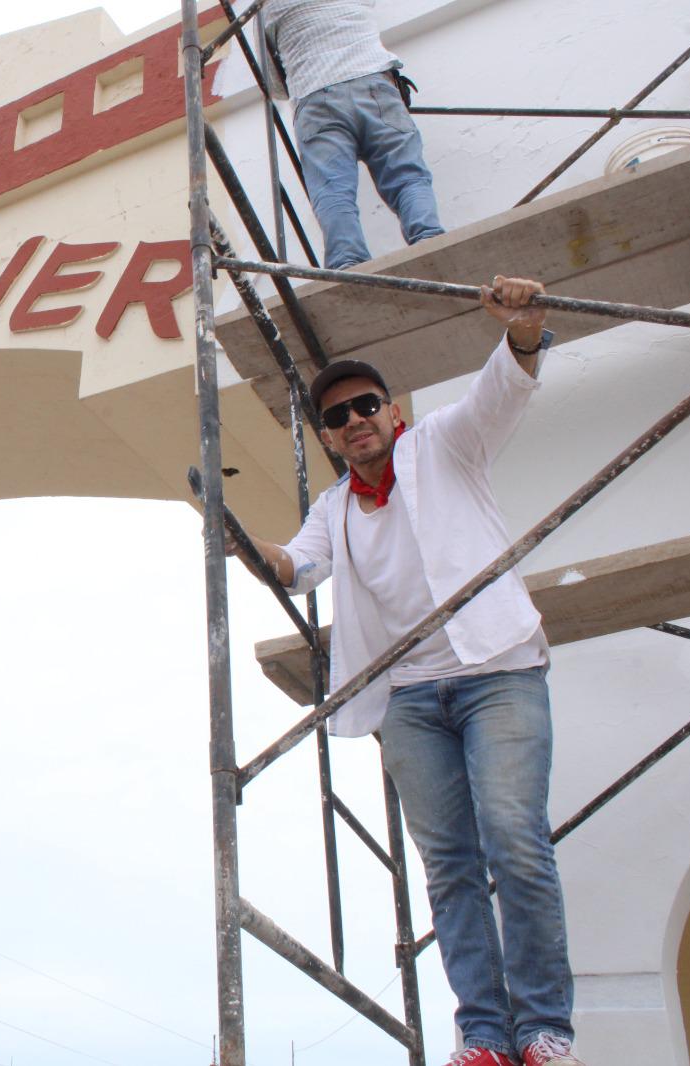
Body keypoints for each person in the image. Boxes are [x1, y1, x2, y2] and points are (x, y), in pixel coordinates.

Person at [227, 276, 586, 1066]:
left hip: (497, 669)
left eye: (366, 406)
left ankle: (544, 1029)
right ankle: (485, 1036)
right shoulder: (334, 509)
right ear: (327, 438)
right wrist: (252, 550)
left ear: (393, 413)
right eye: (336, 416)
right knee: (450, 866)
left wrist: (523, 330)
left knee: (514, 840)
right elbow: (298, 566)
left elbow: (501, 392)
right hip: (409, 698)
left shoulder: (444, 445)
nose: (354, 421)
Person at [257, 0, 445, 269]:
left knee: (332, 191)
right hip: (374, 84)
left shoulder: (264, 6)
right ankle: (429, 239)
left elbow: (273, 85)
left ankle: (347, 264)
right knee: (407, 177)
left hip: (315, 97)